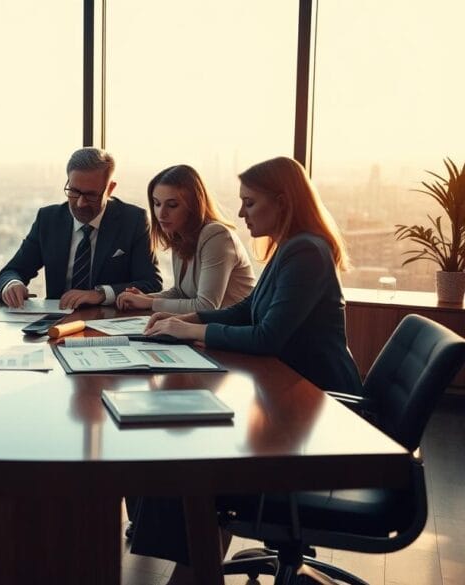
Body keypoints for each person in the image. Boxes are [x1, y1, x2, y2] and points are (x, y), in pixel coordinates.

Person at [130, 156, 362, 585]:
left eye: (250, 203)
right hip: (292, 398)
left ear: (282, 201)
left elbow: (266, 337)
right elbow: (246, 310)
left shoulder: (306, 253)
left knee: (195, 464)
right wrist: (192, 323)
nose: (239, 213)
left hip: (318, 411)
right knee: (187, 447)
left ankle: (189, 573)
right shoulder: (290, 247)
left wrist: (189, 331)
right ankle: (192, 569)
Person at [0, 147, 161, 310]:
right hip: (57, 323)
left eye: (91, 195)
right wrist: (12, 285)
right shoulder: (49, 219)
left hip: (109, 322)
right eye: (74, 191)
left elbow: (151, 284)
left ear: (110, 189)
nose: (81, 203)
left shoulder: (133, 220)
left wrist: (101, 294)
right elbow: (12, 271)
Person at [116, 164, 254, 313]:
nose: (161, 214)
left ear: (194, 205)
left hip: (234, 330)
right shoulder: (179, 234)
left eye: (172, 205)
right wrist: (144, 298)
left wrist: (149, 303)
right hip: (200, 327)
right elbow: (180, 293)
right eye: (157, 203)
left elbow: (206, 306)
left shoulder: (217, 236)